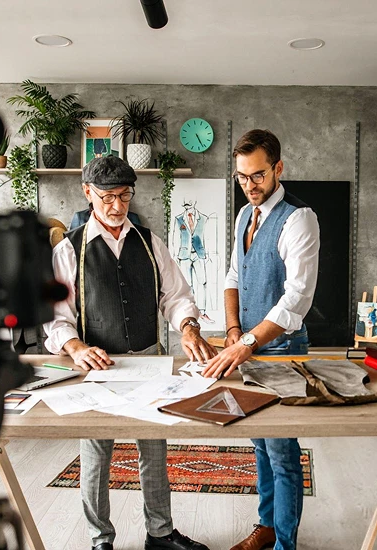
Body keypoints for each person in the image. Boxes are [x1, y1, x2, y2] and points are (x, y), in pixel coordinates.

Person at [45, 155, 216, 550]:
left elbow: (176, 296)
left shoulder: (150, 242)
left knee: (154, 450)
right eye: (107, 197)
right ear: (88, 193)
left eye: (124, 195)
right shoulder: (69, 249)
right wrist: (75, 346)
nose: (117, 206)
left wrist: (188, 327)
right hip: (97, 369)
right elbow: (56, 316)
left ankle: (160, 534)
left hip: (149, 361)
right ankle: (100, 539)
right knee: (96, 457)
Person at [203, 129, 320, 550]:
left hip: (282, 350)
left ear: (278, 169)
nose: (249, 185)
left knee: (283, 452)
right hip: (247, 347)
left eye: (257, 175)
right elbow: (234, 276)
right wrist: (234, 331)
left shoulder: (299, 218)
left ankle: (284, 544)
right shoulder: (243, 216)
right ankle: (267, 527)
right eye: (241, 176)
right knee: (259, 444)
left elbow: (296, 300)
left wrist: (247, 342)